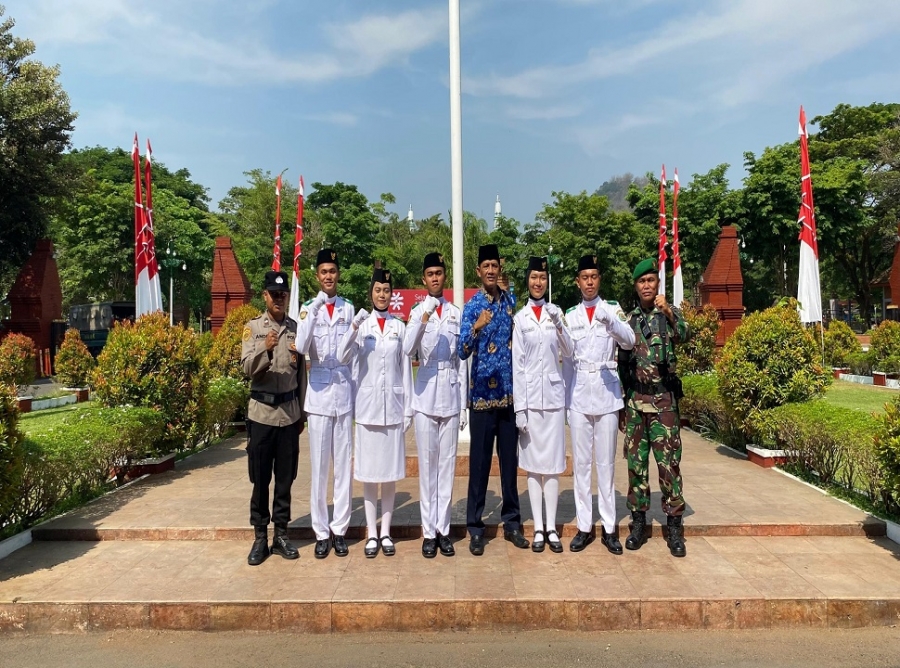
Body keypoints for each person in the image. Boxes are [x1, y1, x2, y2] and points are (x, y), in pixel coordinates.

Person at [337, 267, 413, 557]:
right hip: (367, 409)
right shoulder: (363, 326)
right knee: (369, 474)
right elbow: (343, 356)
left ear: (391, 294)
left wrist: (408, 410)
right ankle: (371, 532)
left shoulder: (400, 328)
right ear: (371, 293)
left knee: (390, 474)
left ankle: (386, 532)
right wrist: (353, 328)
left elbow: (404, 369)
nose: (382, 295)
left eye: (386, 290)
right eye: (378, 290)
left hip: (392, 408)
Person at [618, 258, 691, 558]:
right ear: (635, 287)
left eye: (651, 281)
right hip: (636, 404)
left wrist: (670, 312)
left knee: (669, 467)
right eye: (641, 282)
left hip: (664, 405)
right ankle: (638, 524)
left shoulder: (668, 316)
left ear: (658, 284)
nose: (646, 286)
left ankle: (675, 528)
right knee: (636, 468)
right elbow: (621, 364)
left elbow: (688, 336)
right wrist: (623, 404)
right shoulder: (629, 321)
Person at [562, 255, 635, 554]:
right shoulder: (571, 315)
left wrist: (613, 324)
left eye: (594, 276)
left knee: (605, 464)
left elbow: (629, 341)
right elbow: (567, 359)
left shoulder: (612, 309)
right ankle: (583, 526)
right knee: (581, 466)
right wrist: (568, 400)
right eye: (584, 277)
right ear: (578, 281)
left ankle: (608, 527)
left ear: (599, 279)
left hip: (606, 394)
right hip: (580, 393)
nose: (589, 281)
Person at [458, 243, 528, 555]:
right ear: (478, 271)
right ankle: (475, 526)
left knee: (510, 464)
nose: (490, 270)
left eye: (494, 266)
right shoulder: (472, 307)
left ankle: (512, 522)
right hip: (482, 401)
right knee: (480, 465)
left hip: (508, 398)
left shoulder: (510, 303)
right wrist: (476, 327)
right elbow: (461, 350)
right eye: (484, 266)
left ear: (499, 269)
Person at [240, 270, 308, 566]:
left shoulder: (295, 328)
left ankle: (281, 534)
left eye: (283, 295)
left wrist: (302, 412)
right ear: (265, 296)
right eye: (274, 294)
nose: (279, 299)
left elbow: (302, 374)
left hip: (289, 414)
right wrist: (264, 350)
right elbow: (245, 368)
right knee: (260, 480)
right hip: (262, 415)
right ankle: (259, 538)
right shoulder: (253, 329)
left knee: (285, 479)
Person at [404, 252, 468, 558]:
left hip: (451, 395)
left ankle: (443, 529)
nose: (435, 278)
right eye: (430, 274)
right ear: (423, 279)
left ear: (444, 276)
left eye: (439, 273)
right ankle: (428, 532)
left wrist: (465, 402)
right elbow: (407, 349)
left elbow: (462, 362)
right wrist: (424, 316)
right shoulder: (417, 312)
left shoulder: (456, 313)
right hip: (425, 395)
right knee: (428, 467)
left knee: (447, 466)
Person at [296, 248, 355, 559]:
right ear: (316, 276)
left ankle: (340, 529)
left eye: (333, 271)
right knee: (319, 468)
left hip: (343, 393)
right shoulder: (309, 309)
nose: (329, 277)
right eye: (324, 272)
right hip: (318, 394)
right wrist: (315, 307)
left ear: (338, 274)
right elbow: (301, 347)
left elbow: (354, 355)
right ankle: (321, 532)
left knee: (343, 466)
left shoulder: (348, 309)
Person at [512, 256, 572, 554]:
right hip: (531, 401)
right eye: (534, 277)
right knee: (534, 468)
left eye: (543, 278)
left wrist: (559, 323)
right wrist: (519, 409)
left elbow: (570, 351)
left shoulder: (556, 313)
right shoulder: (520, 319)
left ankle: (552, 526)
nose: (538, 283)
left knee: (553, 467)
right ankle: (537, 526)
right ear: (528, 280)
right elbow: (517, 366)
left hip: (554, 399)